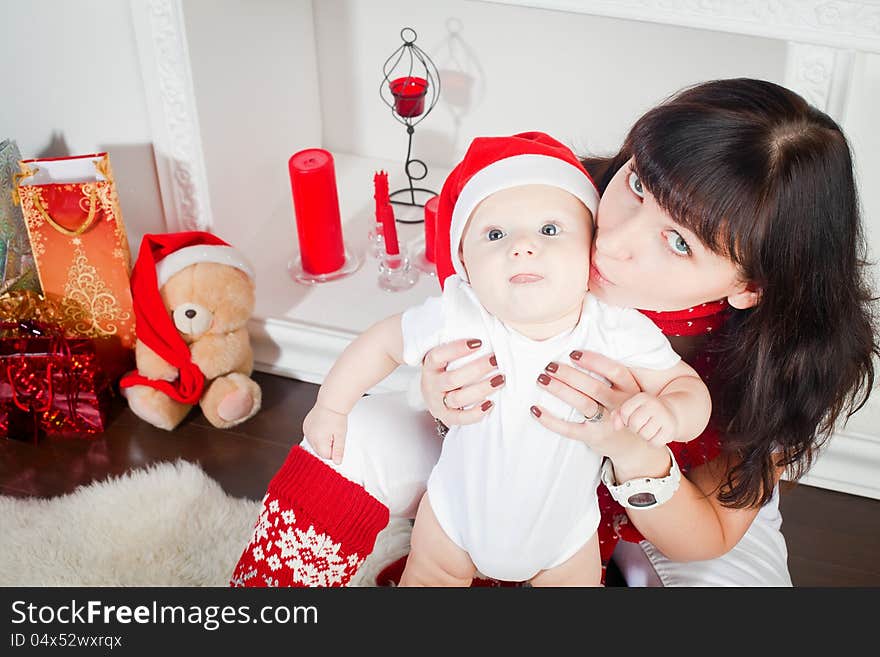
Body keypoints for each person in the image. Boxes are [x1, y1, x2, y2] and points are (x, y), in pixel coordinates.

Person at [230, 78, 877, 588]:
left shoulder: (786, 362)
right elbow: (453, 314)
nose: (614, 239)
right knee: (360, 434)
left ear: (749, 285)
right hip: (502, 448)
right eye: (638, 184)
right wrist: (439, 390)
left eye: (677, 242)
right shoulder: (558, 205)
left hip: (668, 499)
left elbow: (704, 532)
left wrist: (636, 448)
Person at [299, 132, 712, 587]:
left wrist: (671, 413)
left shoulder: (611, 324)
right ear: (465, 263)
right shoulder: (462, 312)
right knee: (429, 578)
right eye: (495, 234)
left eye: (550, 230)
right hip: (453, 522)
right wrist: (331, 406)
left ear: (589, 249)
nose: (522, 246)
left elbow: (685, 386)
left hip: (565, 539)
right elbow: (380, 343)